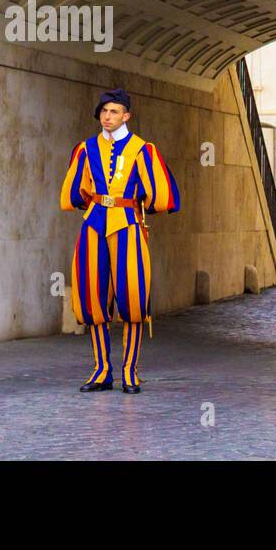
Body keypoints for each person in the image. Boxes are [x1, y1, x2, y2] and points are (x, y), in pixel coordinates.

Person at [60, 88, 180, 394]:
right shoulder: (86, 149)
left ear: (126, 115)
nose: (107, 117)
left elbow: (160, 194)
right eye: (104, 112)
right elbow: (75, 191)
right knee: (93, 297)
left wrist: (139, 204)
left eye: (113, 112)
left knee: (133, 296)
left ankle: (130, 371)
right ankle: (102, 370)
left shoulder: (142, 150)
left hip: (128, 224)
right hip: (95, 224)